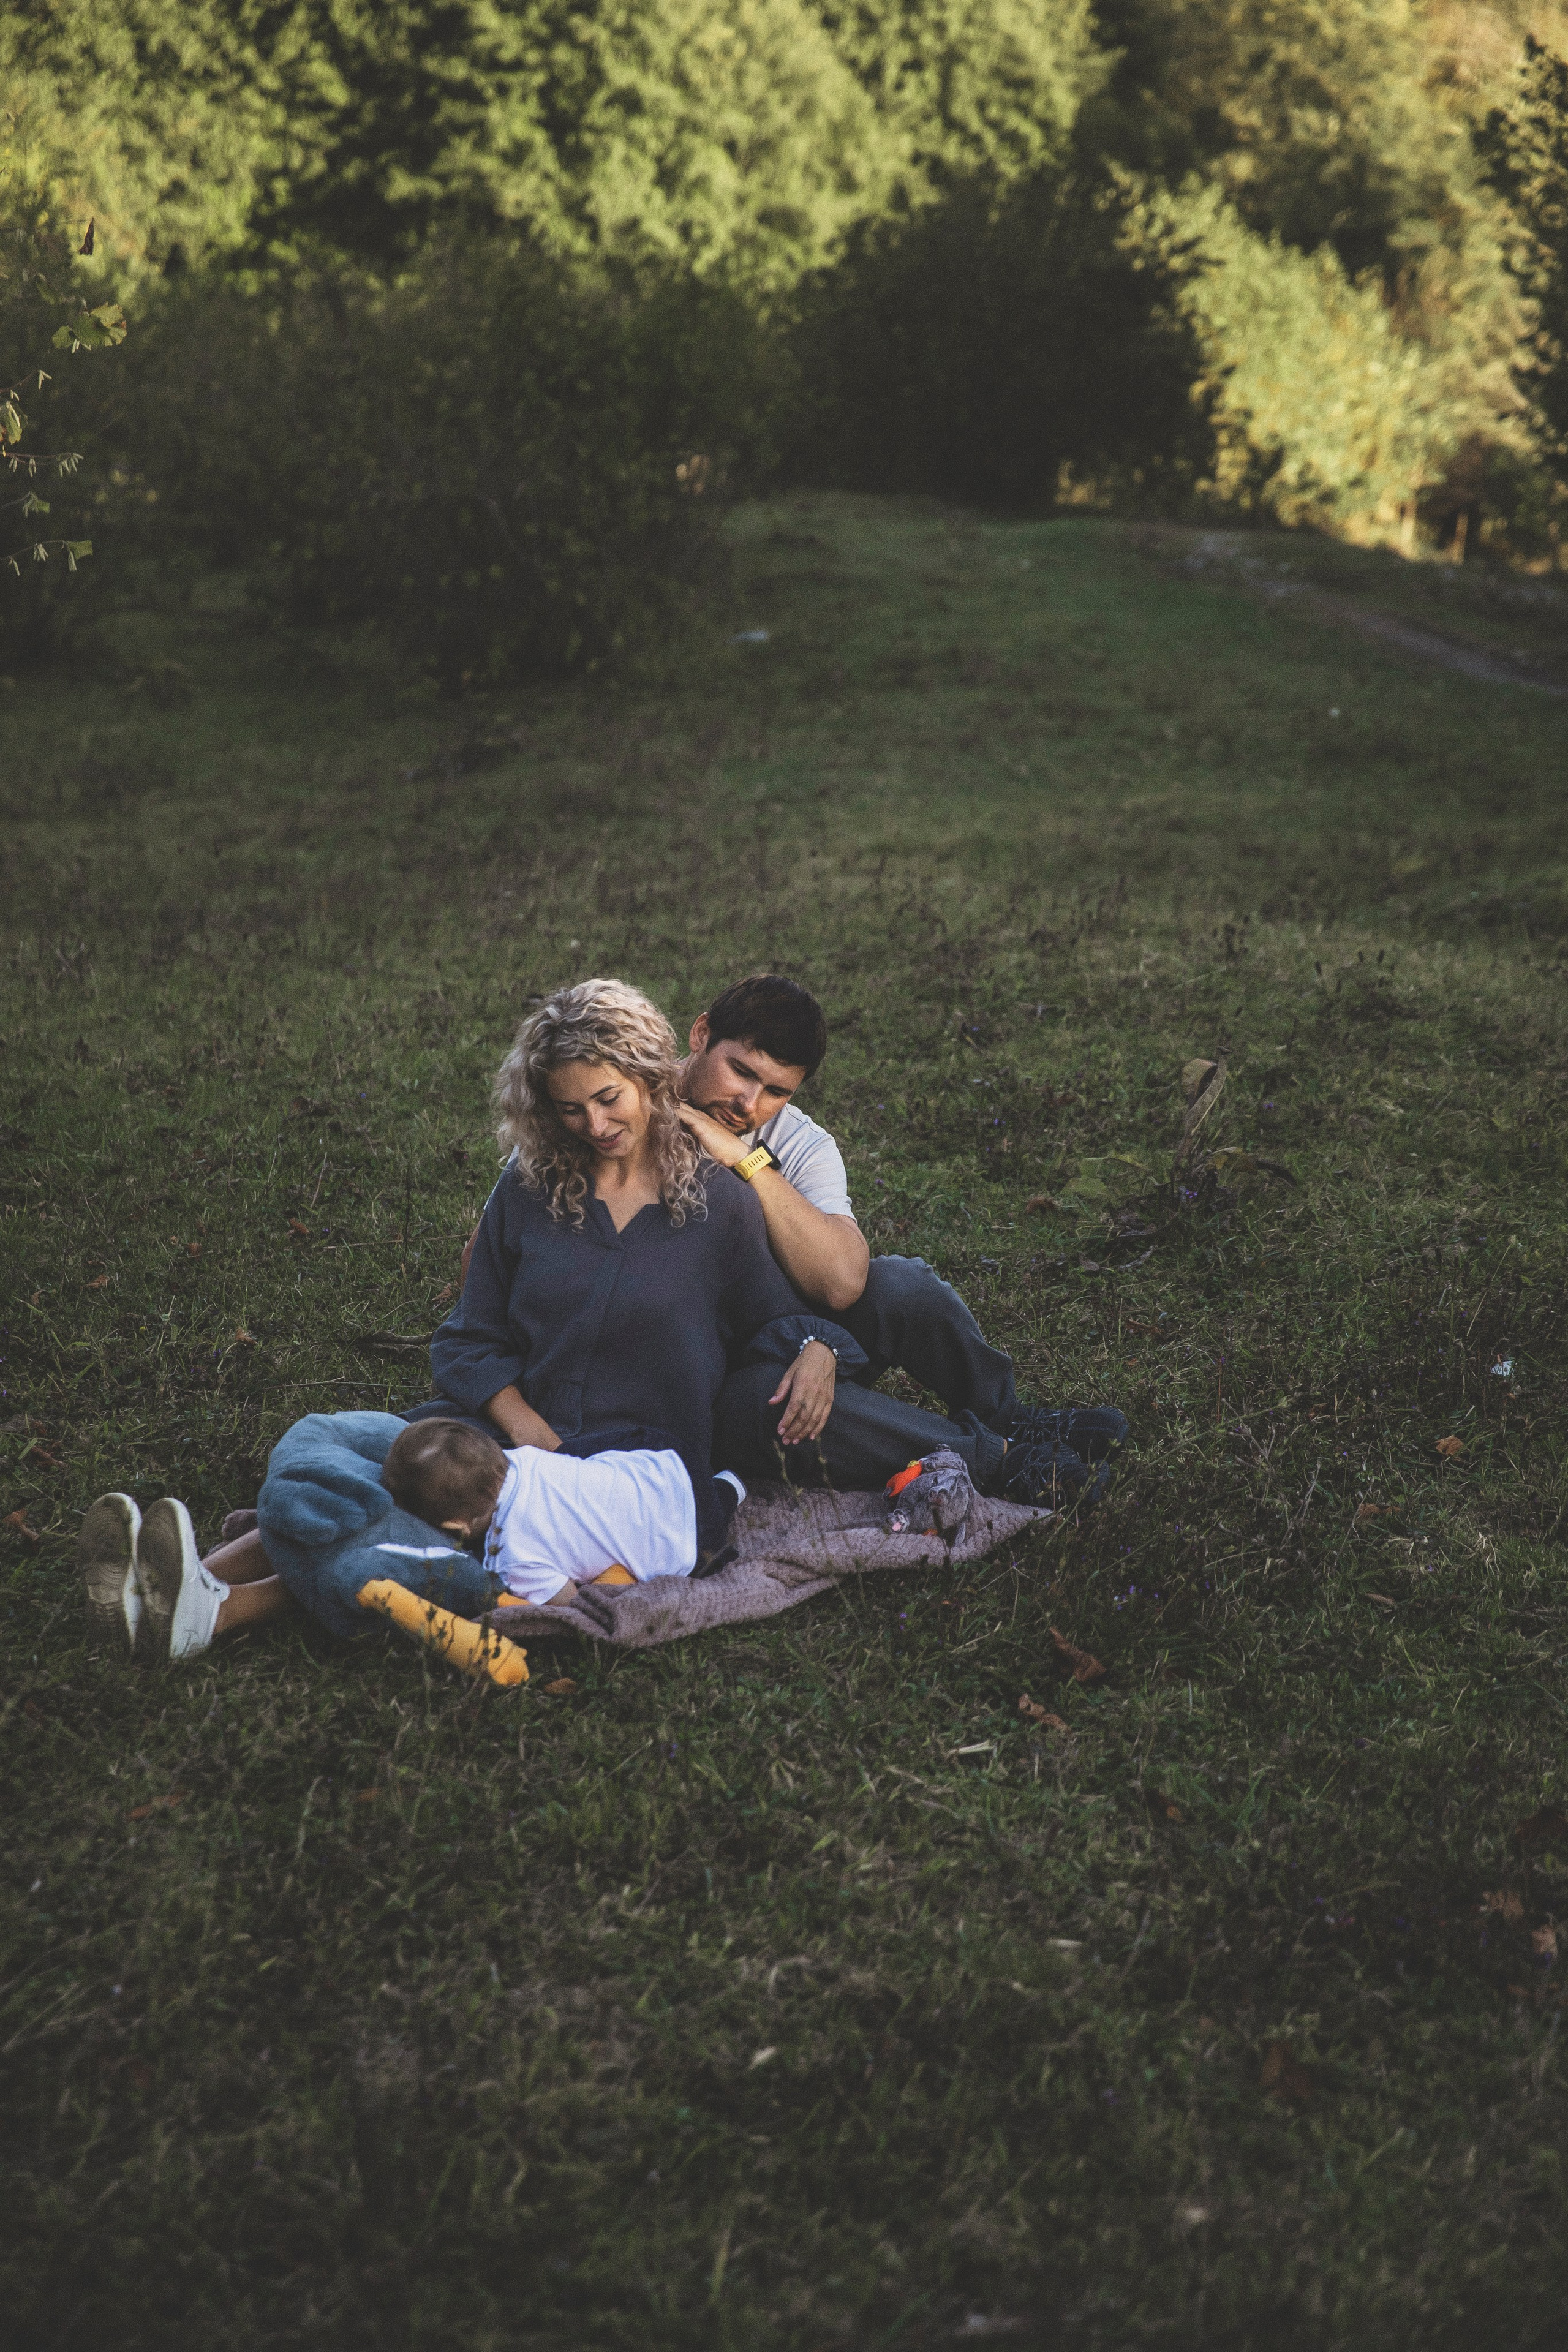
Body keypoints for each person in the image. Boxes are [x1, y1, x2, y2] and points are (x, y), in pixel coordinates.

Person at [462, 973, 1128, 1508]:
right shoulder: (607, 1102)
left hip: (776, 1322)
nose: (750, 1104)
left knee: (900, 1287)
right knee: (783, 1407)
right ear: (700, 1035)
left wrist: (743, 1160)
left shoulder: (796, 1144)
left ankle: (1004, 1417)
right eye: (741, 1072)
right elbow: (497, 1266)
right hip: (695, 1353)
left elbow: (842, 1283)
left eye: (776, 1091)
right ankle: (994, 1456)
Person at [381, 1414, 746, 1608]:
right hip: (666, 1461)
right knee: (573, 1457)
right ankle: (730, 1485)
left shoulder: (513, 1560)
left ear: (456, 1526)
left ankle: (727, 1492)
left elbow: (570, 1602)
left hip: (689, 1545)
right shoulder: (521, 1460)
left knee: (700, 1516)